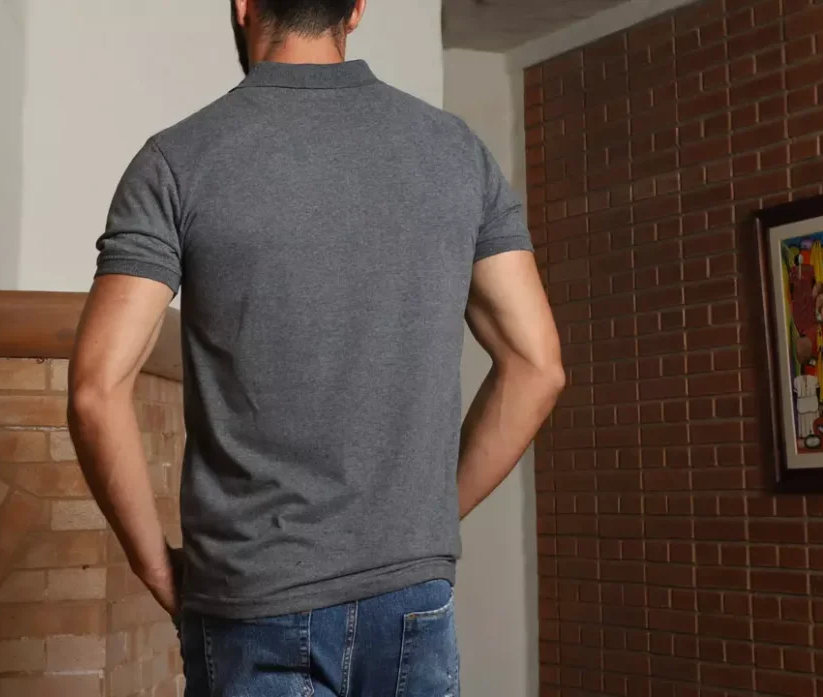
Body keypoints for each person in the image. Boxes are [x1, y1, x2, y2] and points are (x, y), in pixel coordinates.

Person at [67, 1, 565, 694]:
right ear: (355, 9)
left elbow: (96, 389)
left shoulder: (176, 161)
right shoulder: (455, 152)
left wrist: (156, 568)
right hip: (409, 596)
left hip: (251, 599)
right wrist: (422, 523)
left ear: (242, 4)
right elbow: (537, 367)